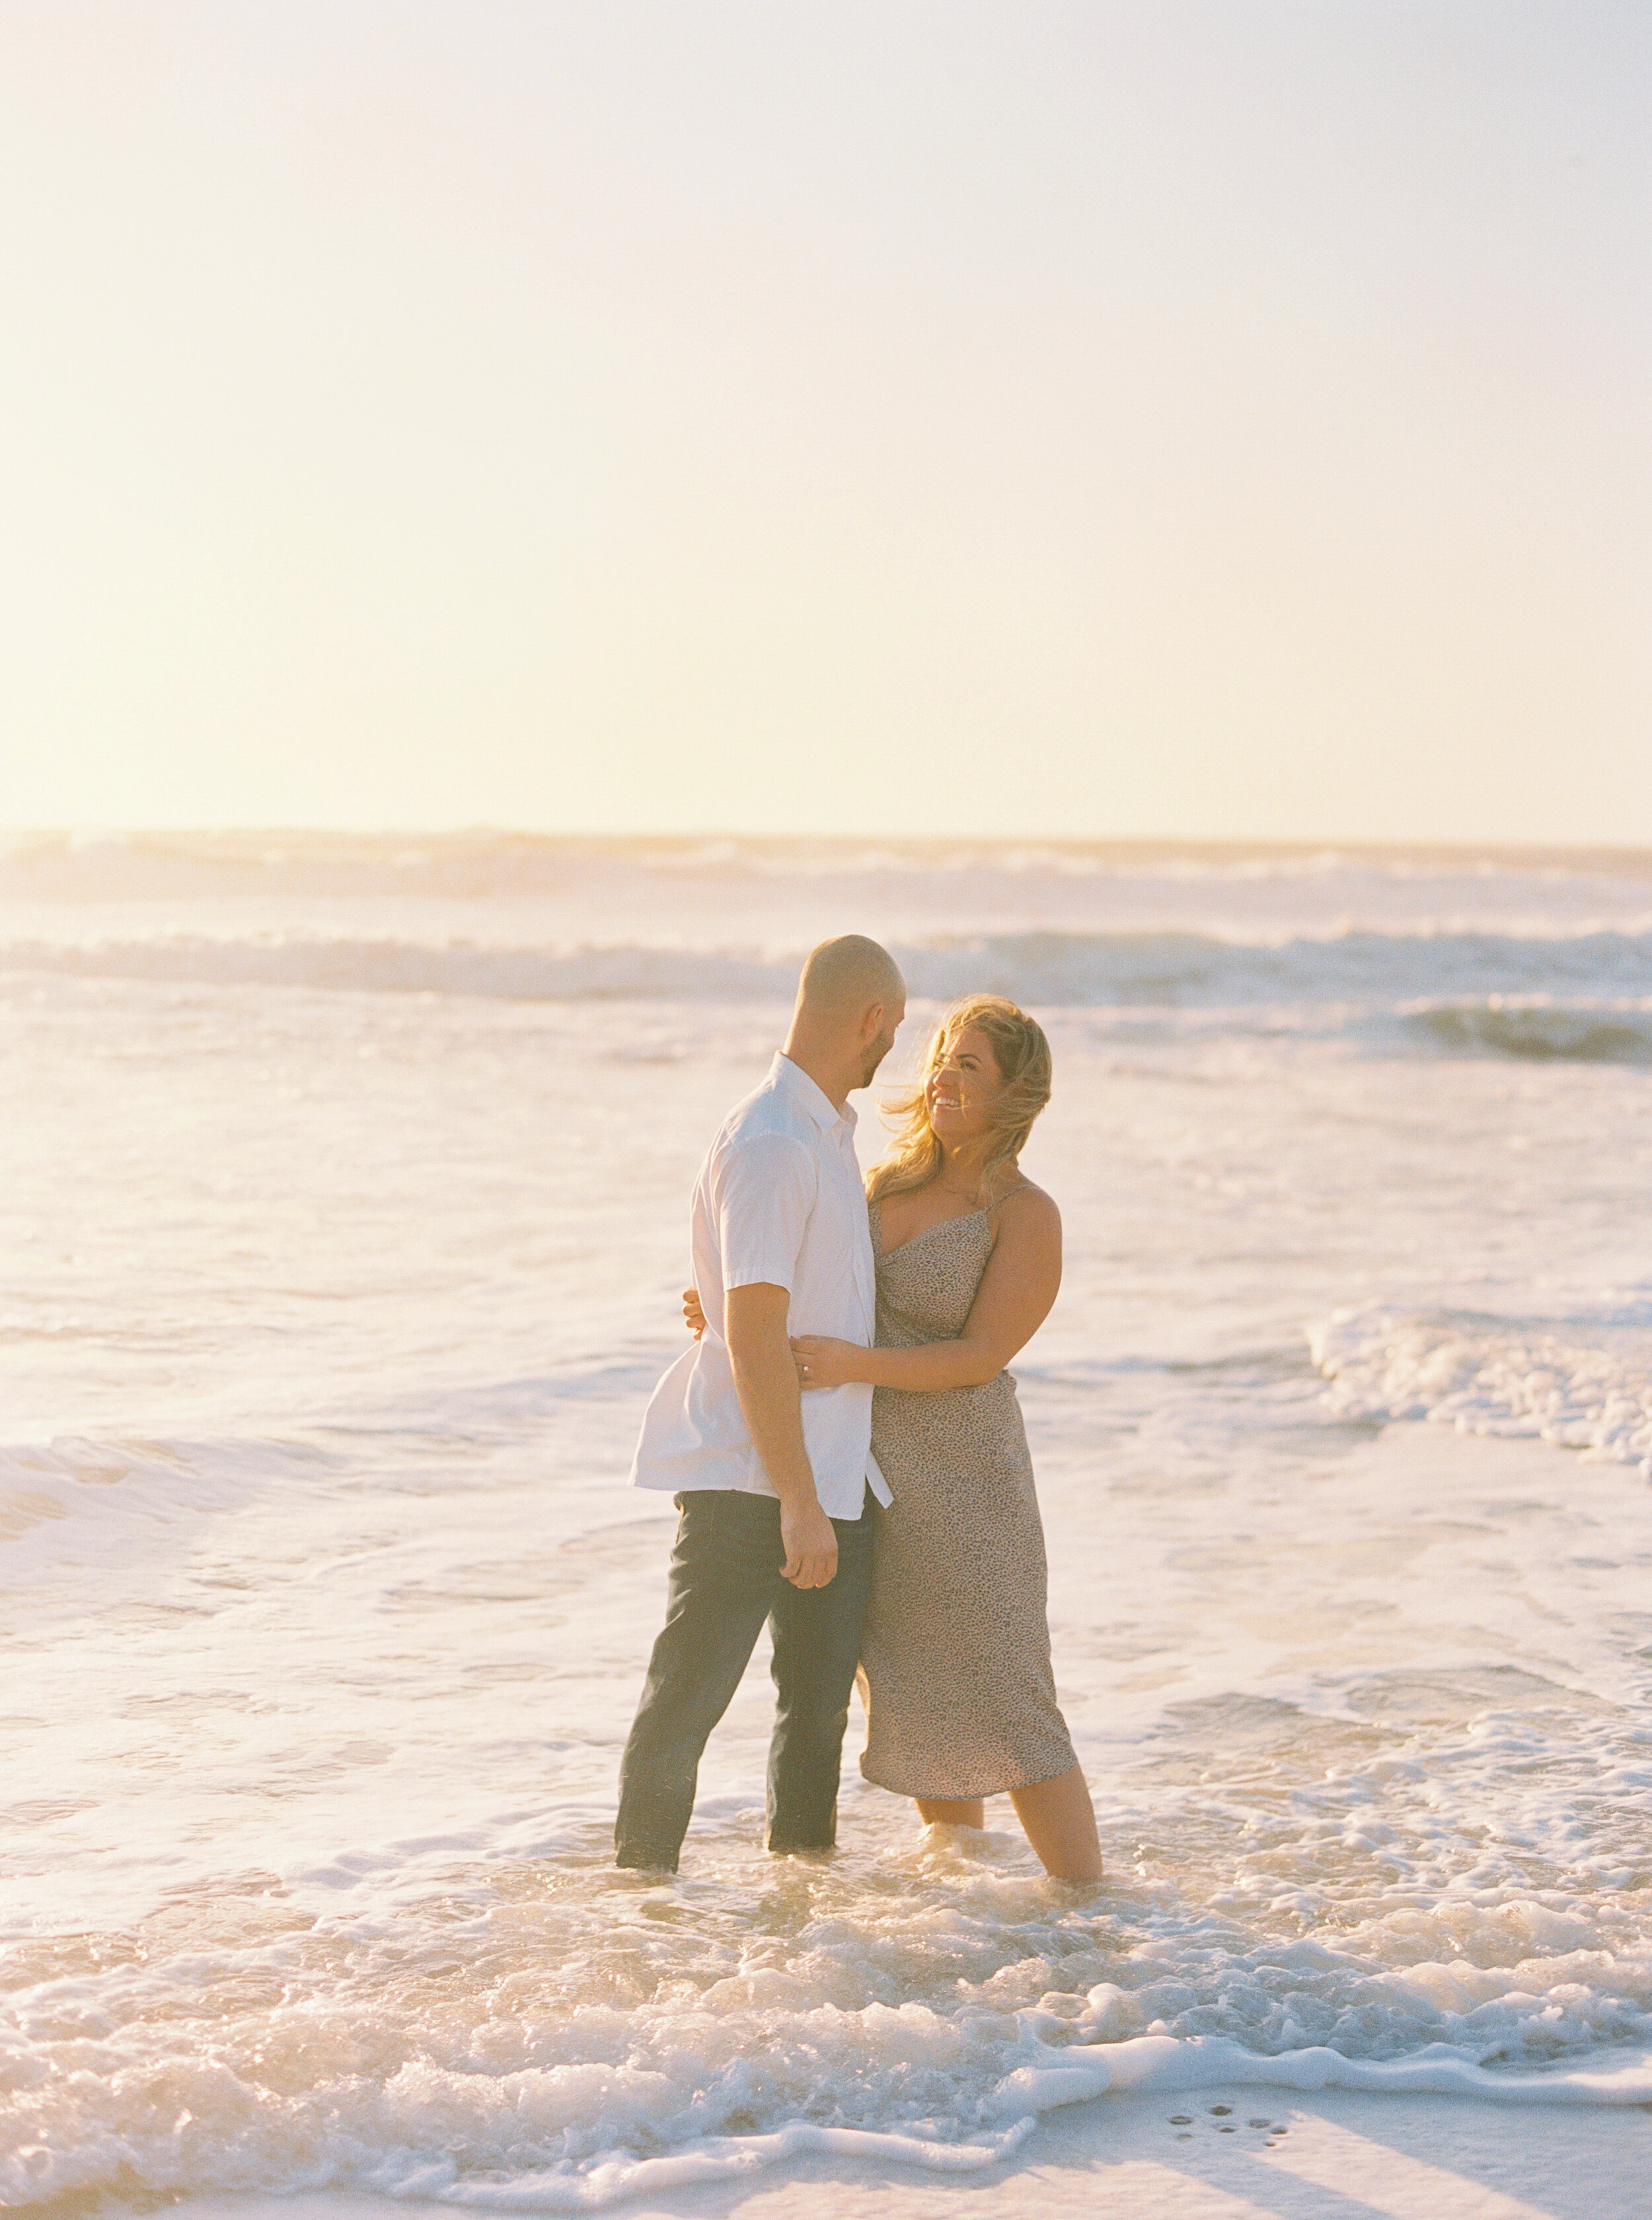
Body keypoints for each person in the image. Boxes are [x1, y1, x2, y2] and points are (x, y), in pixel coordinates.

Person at [686, 996, 1104, 1885]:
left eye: (972, 1067)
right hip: (873, 1483)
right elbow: (809, 1292)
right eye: (943, 1058)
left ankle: (1094, 1915)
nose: (946, 1077)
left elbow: (980, 1356)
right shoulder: (883, 1185)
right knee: (922, 1704)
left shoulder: (1025, 1214)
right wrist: (733, 1314)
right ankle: (964, 1891)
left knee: (1011, 1701)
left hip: (972, 1490)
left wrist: (852, 1364)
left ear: (1016, 1093)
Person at [614, 934, 907, 1871]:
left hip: (832, 1480)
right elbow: (751, 1331)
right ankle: (640, 1902)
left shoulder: (823, 1137)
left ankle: (800, 1912)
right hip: (758, 1484)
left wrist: (823, 1496)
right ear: (868, 1021)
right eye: (892, 1030)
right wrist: (796, 1501)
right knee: (685, 1704)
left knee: (815, 1714)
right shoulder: (774, 1142)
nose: (890, 1049)